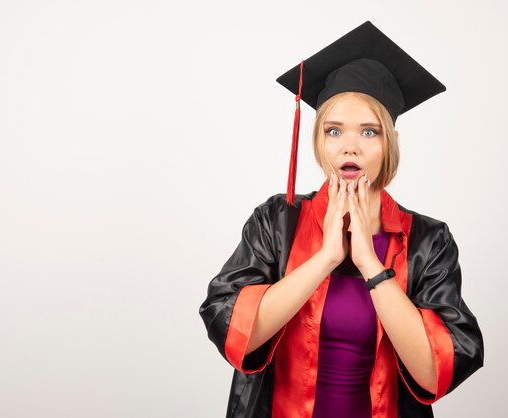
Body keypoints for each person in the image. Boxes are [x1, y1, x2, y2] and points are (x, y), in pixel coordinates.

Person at [199, 21, 484, 418]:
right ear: (318, 140)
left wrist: (370, 263)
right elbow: (235, 334)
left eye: (369, 132)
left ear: (390, 143)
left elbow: (436, 371)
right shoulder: (276, 223)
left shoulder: (427, 242)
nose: (350, 145)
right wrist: (326, 258)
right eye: (334, 130)